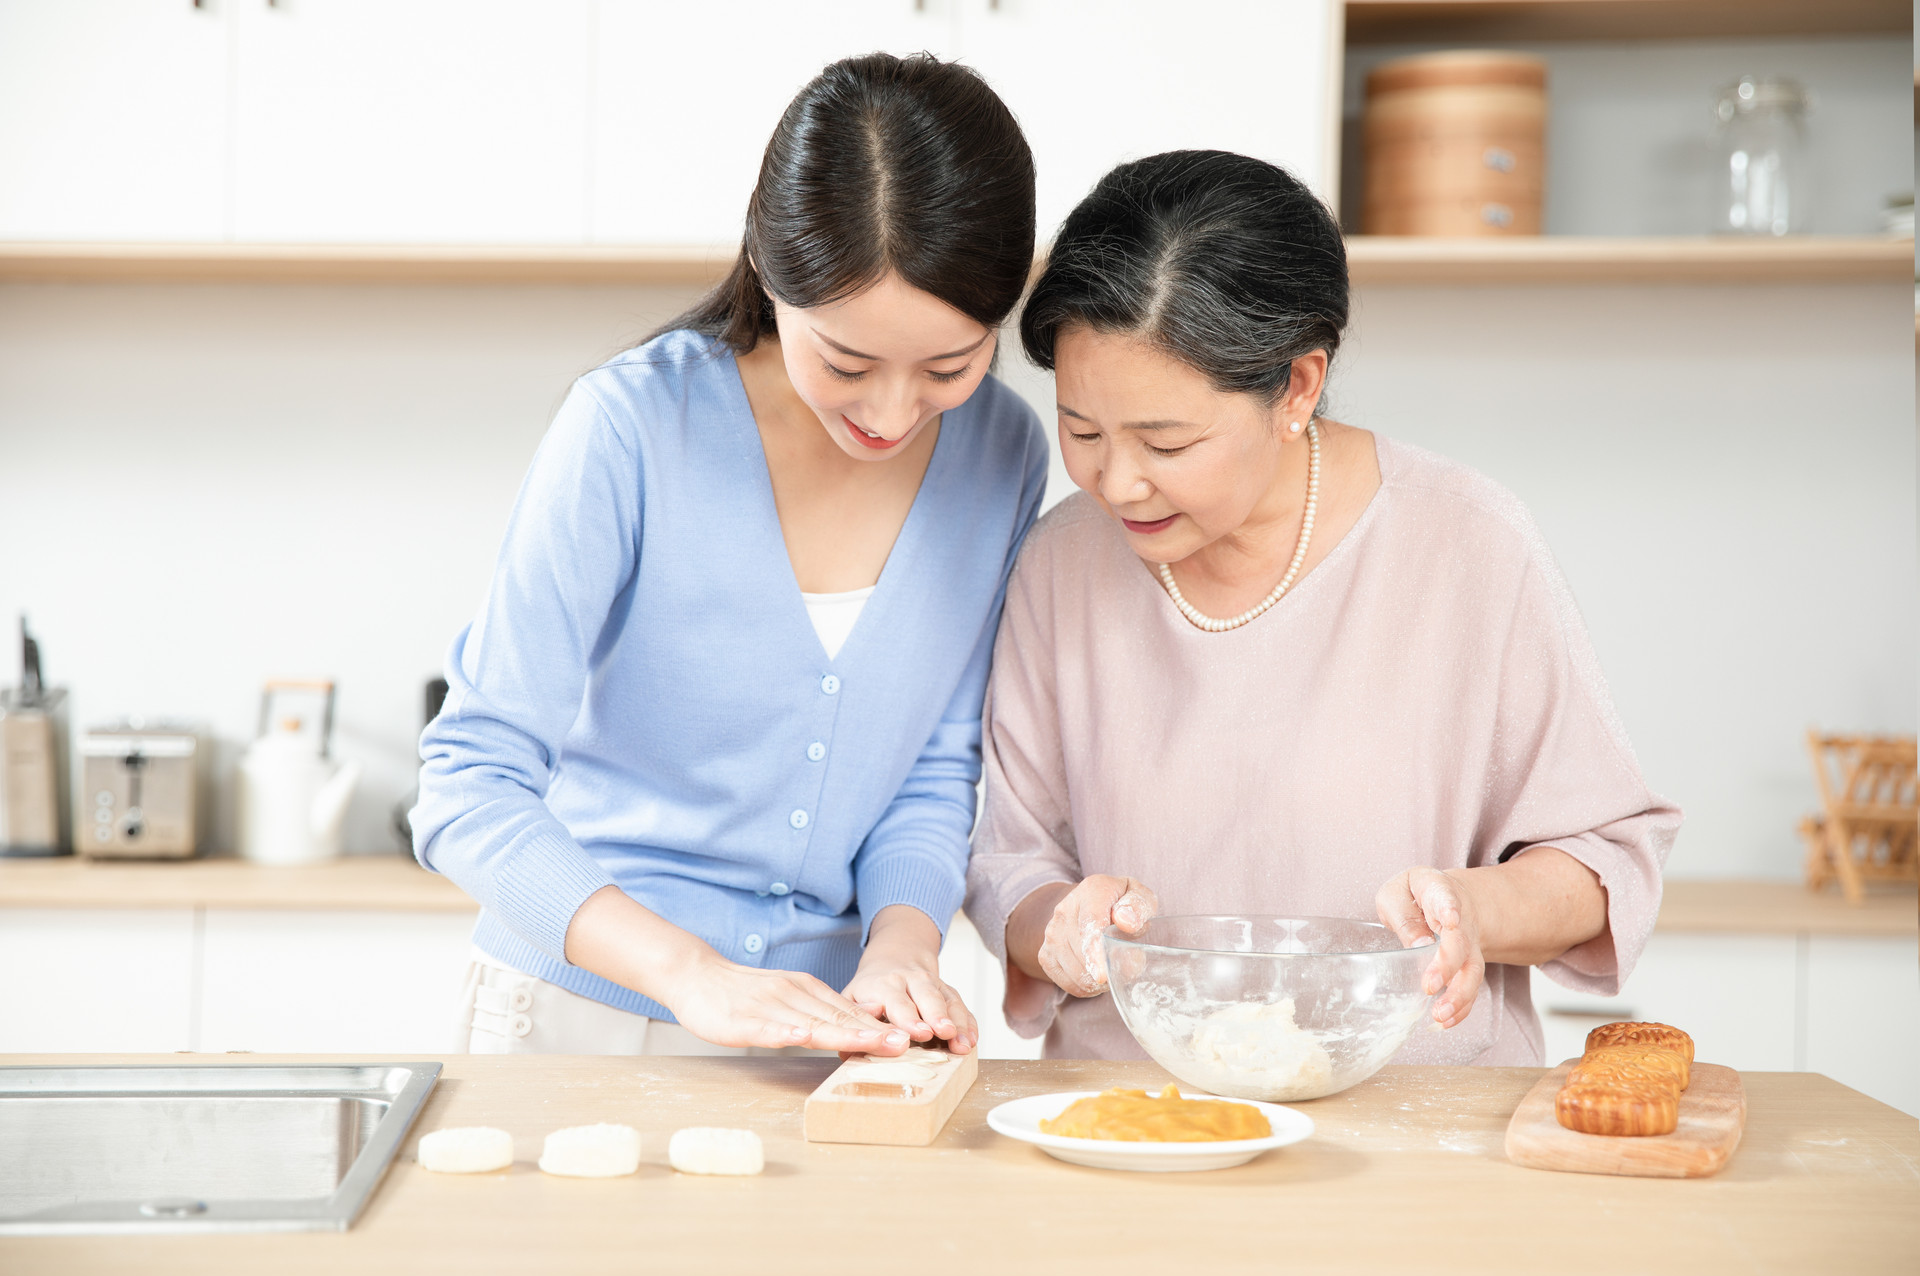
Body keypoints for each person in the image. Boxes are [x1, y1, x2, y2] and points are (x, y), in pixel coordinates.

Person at [965, 150, 1680, 1065]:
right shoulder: (1060, 562)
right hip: (1131, 1128)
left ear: (1297, 387)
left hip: (1413, 1137)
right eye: (1082, 430)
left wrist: (1474, 910)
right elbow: (1009, 864)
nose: (1118, 481)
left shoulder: (1468, 545)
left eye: (1166, 440)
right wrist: (1058, 925)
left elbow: (1606, 857)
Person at [412, 53, 1047, 1057]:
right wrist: (689, 974)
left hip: (820, 1041)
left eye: (947, 366)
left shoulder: (1002, 453)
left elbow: (931, 769)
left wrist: (900, 950)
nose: (892, 412)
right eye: (845, 360)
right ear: (769, 266)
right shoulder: (630, 427)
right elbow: (467, 782)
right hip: (574, 1021)